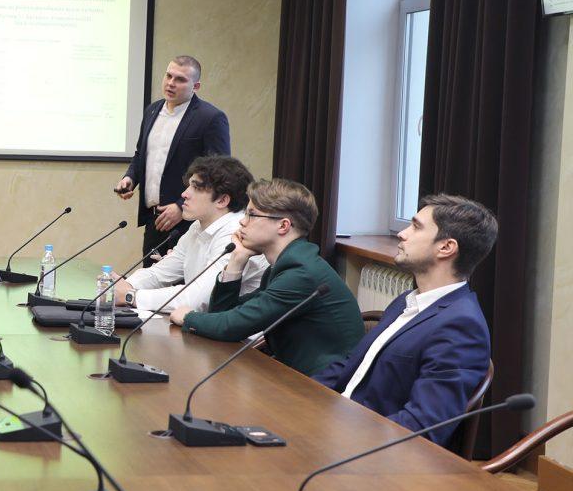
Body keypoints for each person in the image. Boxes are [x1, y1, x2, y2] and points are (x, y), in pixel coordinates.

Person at [314, 195, 497, 445]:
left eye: (416, 227)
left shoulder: (461, 326)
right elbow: (350, 366)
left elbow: (421, 427)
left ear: (446, 247)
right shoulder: (406, 301)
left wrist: (338, 433)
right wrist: (301, 398)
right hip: (332, 424)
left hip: (365, 449)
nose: (402, 234)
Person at [180, 178, 364, 376]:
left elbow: (232, 326)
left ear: (283, 226)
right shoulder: (284, 266)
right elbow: (224, 314)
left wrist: (188, 317)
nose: (242, 221)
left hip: (326, 386)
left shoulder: (301, 273)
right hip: (296, 376)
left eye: (251, 214)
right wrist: (236, 261)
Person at [112, 155, 268, 317]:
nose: (184, 194)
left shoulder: (236, 234)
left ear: (222, 200)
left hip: (238, 330)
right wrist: (121, 287)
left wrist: (131, 296)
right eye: (188, 186)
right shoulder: (197, 227)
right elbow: (159, 273)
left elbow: (197, 299)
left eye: (196, 188)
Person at [115, 55, 231, 265]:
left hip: (189, 221)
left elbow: (219, 171)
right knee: (150, 277)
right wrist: (130, 178)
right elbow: (141, 154)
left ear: (196, 86)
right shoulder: (152, 110)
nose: (171, 83)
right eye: (168, 76)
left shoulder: (210, 118)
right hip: (155, 219)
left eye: (180, 79)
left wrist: (181, 206)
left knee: (182, 282)